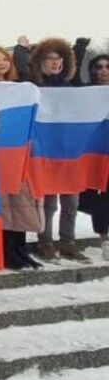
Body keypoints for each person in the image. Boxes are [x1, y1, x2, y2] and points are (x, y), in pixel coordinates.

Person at [0, 47, 43, 271]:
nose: (1, 63)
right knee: (3, 206)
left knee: (20, 204)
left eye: (5, 59)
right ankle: (6, 251)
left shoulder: (16, 89)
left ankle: (19, 249)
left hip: (15, 152)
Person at [27, 38, 88, 263]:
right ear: (41, 61)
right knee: (49, 202)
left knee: (71, 201)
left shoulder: (71, 87)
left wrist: (78, 50)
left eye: (59, 57)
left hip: (70, 151)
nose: (55, 62)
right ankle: (45, 242)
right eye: (50, 58)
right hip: (46, 151)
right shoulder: (34, 87)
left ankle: (68, 243)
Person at [78, 48, 109, 261]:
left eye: (107, 67)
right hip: (94, 154)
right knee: (98, 197)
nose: (103, 71)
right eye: (98, 67)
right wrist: (79, 49)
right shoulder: (86, 94)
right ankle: (104, 237)